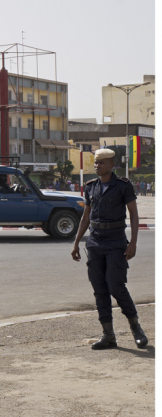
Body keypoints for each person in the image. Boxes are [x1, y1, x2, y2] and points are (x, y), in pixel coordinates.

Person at [71, 148, 148, 350]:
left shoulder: (123, 186)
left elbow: (133, 214)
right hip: (95, 242)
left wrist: (133, 242)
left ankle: (136, 328)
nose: (97, 166)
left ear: (112, 165)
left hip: (116, 241)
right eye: (96, 163)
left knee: (116, 286)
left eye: (102, 163)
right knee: (99, 289)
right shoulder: (91, 187)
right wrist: (77, 242)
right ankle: (108, 335)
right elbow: (86, 217)